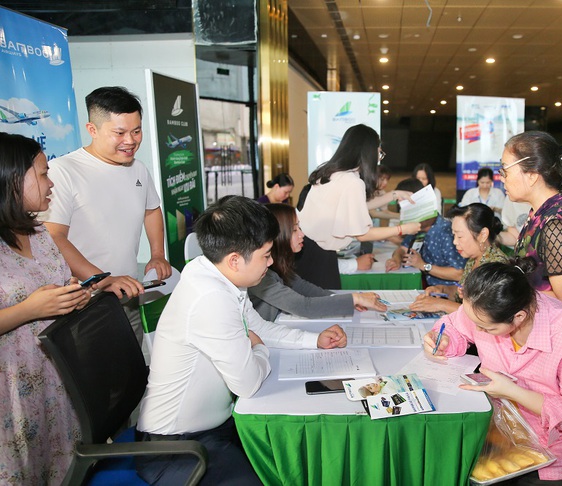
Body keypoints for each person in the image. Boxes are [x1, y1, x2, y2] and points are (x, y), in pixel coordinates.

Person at [135, 196, 346, 485]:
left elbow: (260, 329)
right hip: (177, 449)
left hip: (214, 429)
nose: (271, 262)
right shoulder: (211, 297)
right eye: (266, 255)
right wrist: (258, 348)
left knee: (292, 457)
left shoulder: (217, 274)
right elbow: (247, 382)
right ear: (235, 259)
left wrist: (313, 340)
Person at [425, 259, 562, 484]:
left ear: (519, 317)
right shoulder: (486, 306)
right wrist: (443, 338)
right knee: (443, 462)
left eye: (486, 328)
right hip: (505, 431)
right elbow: (454, 325)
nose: (478, 330)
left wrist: (513, 392)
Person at [41, 86, 171, 345]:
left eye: (136, 131)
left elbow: (152, 209)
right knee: (95, 379)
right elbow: (54, 237)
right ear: (92, 130)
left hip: (126, 291)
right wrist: (103, 279)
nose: (131, 141)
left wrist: (157, 254)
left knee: (130, 373)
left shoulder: (138, 169)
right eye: (119, 133)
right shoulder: (63, 171)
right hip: (83, 301)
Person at [0, 133, 91, 484]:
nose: (50, 182)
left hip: (56, 380)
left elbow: (53, 289)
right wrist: (30, 309)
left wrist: (72, 297)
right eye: (42, 174)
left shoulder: (39, 234)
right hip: (10, 391)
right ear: (10, 180)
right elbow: (32, 304)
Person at [297, 124, 420, 289]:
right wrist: (402, 229)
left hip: (307, 249)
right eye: (379, 150)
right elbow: (362, 234)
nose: (379, 155)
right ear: (368, 151)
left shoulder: (334, 173)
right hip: (318, 256)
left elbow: (358, 206)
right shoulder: (351, 181)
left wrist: (394, 194)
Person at [248, 203, 386, 321]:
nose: (302, 235)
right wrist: (354, 299)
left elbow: (304, 288)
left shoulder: (279, 265)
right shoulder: (260, 274)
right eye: (295, 230)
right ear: (279, 235)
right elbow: (302, 306)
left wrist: (348, 300)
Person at [501, 131, 562, 312]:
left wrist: (505, 289)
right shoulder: (539, 213)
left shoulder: (556, 226)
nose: (501, 178)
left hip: (552, 332)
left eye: (505, 170)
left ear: (531, 175)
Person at [410, 203, 508, 314]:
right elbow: (460, 295)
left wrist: (441, 304)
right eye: (454, 235)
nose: (455, 242)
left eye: (460, 236)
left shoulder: (496, 267)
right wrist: (442, 289)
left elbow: (484, 315)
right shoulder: (473, 260)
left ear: (483, 234)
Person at [385, 178, 467, 286]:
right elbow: (403, 248)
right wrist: (396, 259)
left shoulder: (447, 232)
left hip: (450, 294)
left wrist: (423, 265)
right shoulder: (415, 228)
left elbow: (459, 273)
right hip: (428, 288)